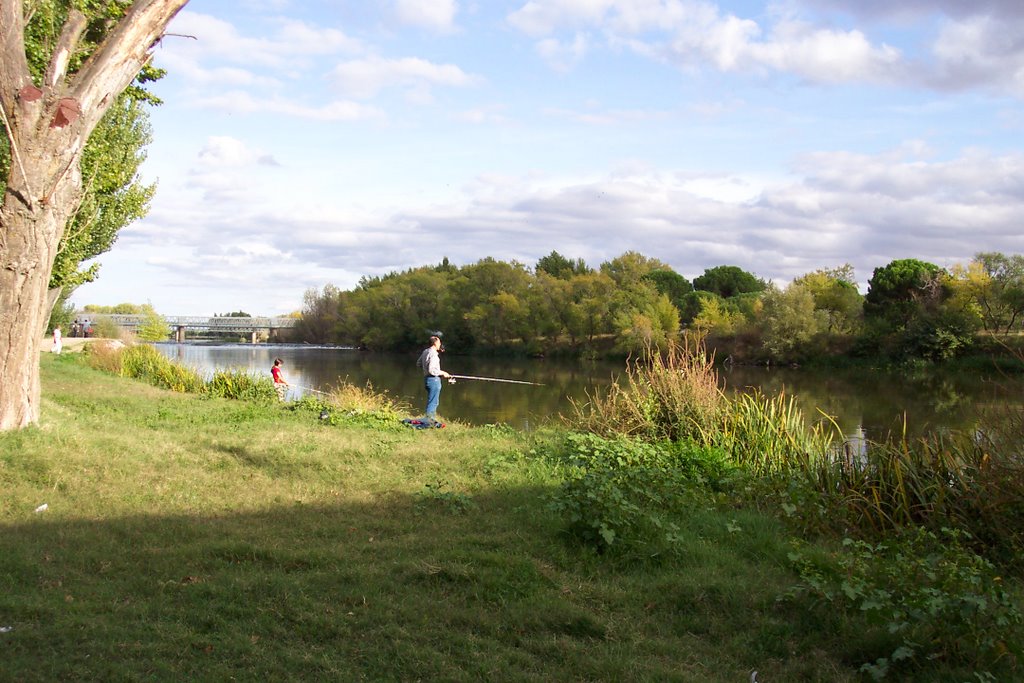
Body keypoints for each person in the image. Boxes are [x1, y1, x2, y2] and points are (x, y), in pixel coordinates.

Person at [416, 332, 451, 425]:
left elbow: (418, 363)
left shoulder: (425, 351)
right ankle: (429, 421)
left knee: (431, 400)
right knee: (433, 402)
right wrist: (442, 373)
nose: (440, 344)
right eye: (439, 343)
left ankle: (429, 420)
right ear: (435, 343)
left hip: (427, 380)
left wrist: (425, 368)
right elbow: (432, 370)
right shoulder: (434, 354)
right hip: (433, 380)